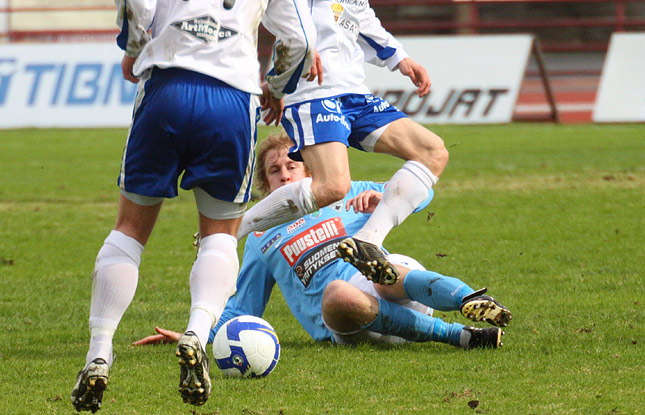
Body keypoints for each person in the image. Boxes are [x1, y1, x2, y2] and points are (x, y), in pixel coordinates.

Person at [70, 0, 317, 412]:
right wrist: (276, 87)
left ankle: (99, 353)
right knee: (219, 236)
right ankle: (197, 335)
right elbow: (302, 40)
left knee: (129, 231)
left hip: (168, 85)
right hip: (232, 99)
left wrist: (132, 48)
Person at [135, 133, 512, 350]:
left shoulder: (347, 192)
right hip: (351, 320)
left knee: (384, 270)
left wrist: (383, 201)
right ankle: (459, 337)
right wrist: (195, 334)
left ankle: (465, 298)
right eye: (274, 170)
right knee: (337, 293)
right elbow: (243, 310)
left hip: (400, 292)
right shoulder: (261, 238)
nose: (284, 174)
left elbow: (420, 193)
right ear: (266, 184)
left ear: (309, 170)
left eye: (291, 165)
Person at [236, 2, 450, 288]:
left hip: (354, 92)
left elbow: (359, 16)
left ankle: (367, 241)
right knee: (333, 186)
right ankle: (230, 229)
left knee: (432, 152)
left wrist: (400, 58)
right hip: (312, 88)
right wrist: (300, 49)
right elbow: (268, 8)